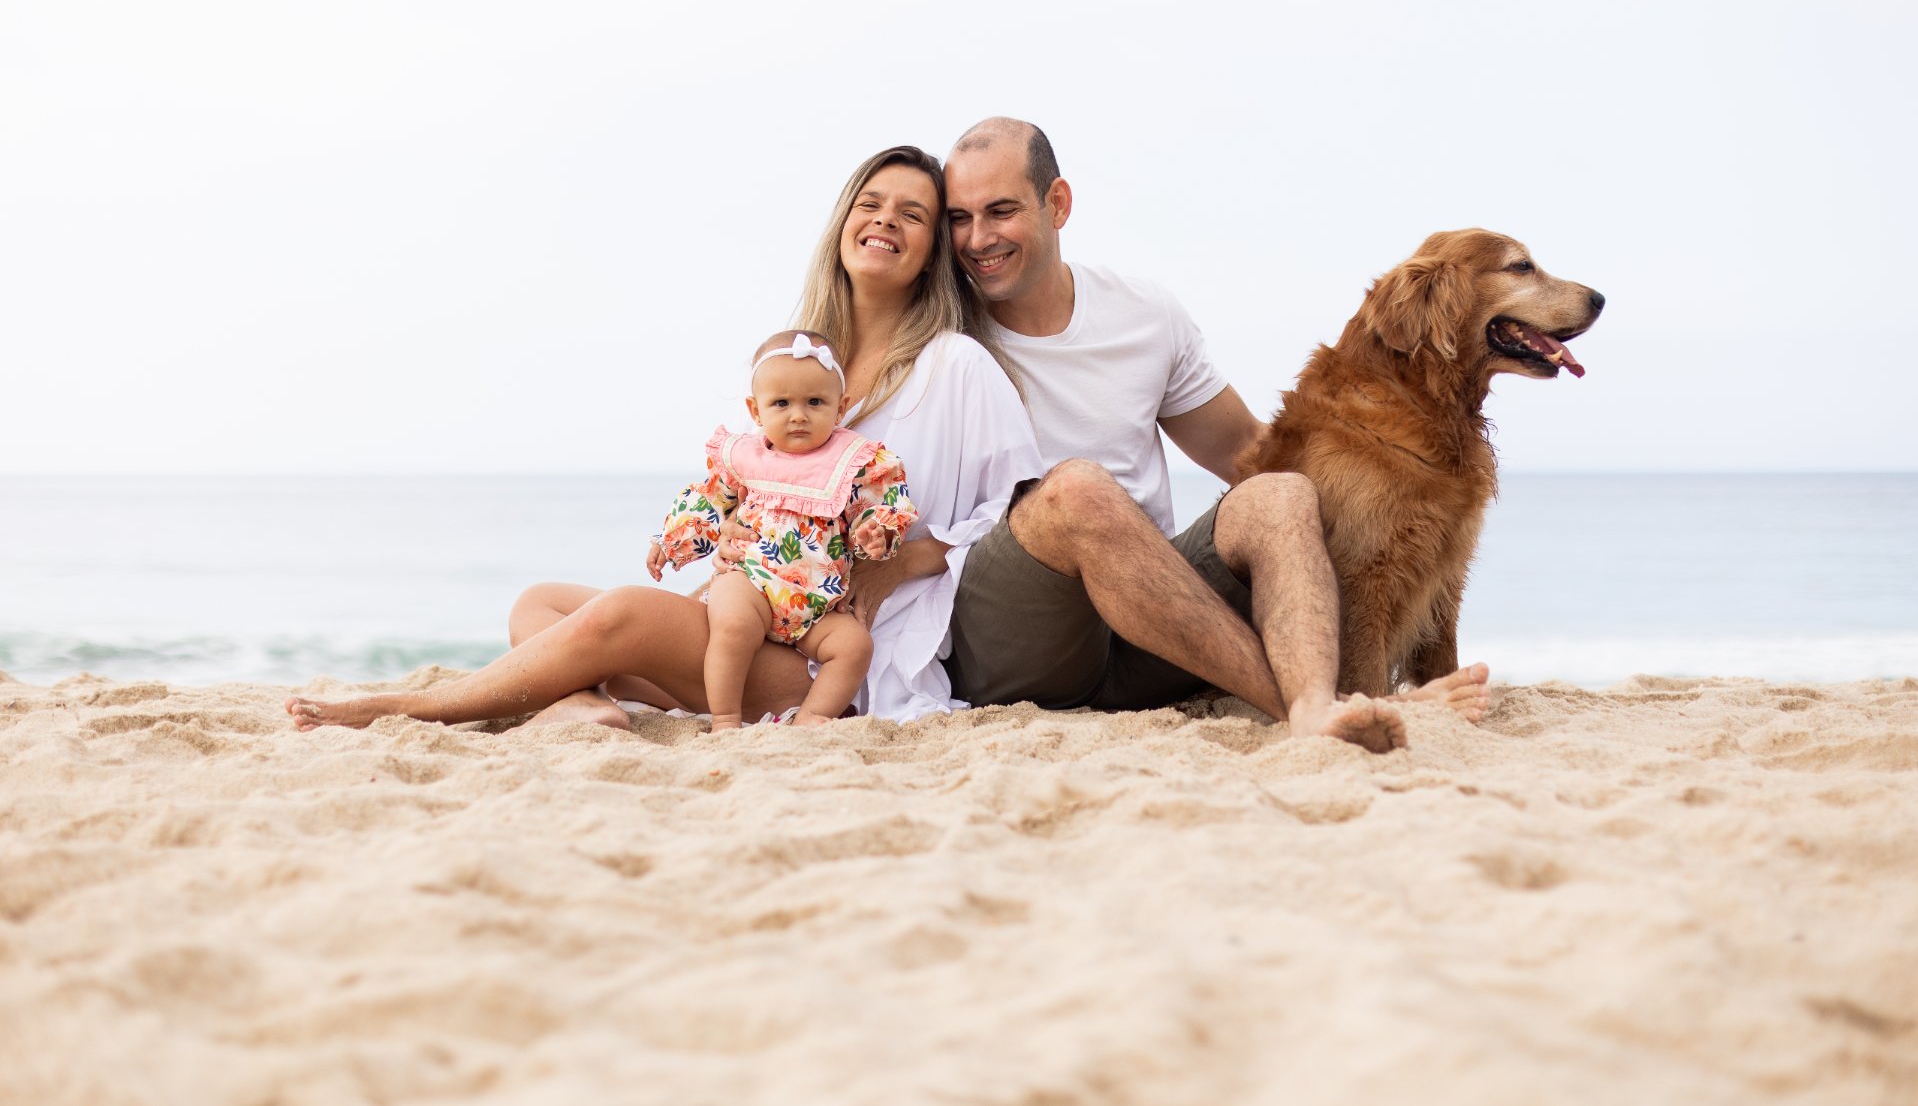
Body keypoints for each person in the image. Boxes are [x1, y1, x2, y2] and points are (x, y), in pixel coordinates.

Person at [286, 145, 1042, 732]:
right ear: (843, 220)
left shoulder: (955, 366)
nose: (886, 219)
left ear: (933, 248)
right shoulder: (803, 364)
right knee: (541, 602)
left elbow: (1020, 515)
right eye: (871, 202)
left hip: (838, 664)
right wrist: (736, 543)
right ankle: (583, 706)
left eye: (913, 213)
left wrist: (905, 557)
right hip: (751, 622)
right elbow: (745, 491)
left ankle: (409, 709)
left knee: (625, 615)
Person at [940, 117, 1492, 753]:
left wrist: (1413, 469)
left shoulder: (1144, 315)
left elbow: (1249, 455)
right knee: (1079, 490)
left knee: (1282, 492)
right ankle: (1325, 706)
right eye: (959, 217)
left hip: (1150, 630)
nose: (977, 239)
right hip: (1017, 643)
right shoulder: (941, 329)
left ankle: (1318, 706)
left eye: (1000, 211)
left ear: (1056, 203)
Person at [651, 329, 916, 730]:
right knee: (733, 624)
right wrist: (670, 542)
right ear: (756, 411)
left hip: (817, 603)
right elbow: (709, 500)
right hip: (753, 580)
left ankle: (811, 717)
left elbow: (878, 505)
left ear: (840, 407)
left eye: (815, 402)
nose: (798, 415)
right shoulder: (745, 458)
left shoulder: (852, 461)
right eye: (781, 403)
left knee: (854, 645)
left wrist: (875, 533)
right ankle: (725, 719)